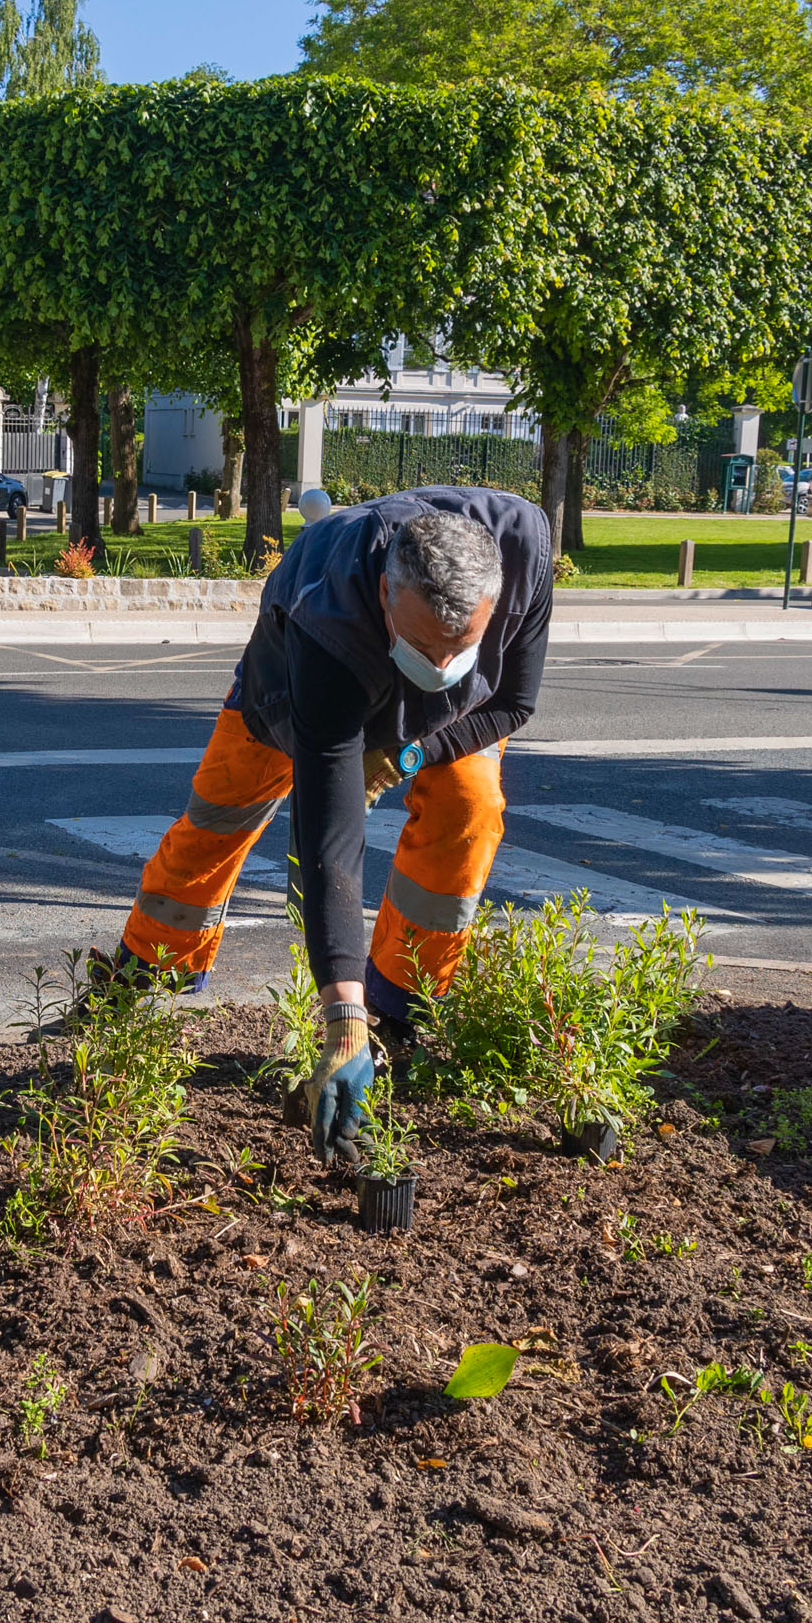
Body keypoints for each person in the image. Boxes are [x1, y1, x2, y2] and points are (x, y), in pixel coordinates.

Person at [108, 487, 555, 1165]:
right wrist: (340, 1022)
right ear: (384, 595)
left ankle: (402, 1008)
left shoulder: (525, 552)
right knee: (220, 815)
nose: (438, 668)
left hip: (454, 725)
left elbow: (515, 702)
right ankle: (144, 969)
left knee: (470, 807)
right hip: (295, 682)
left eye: (456, 646)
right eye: (422, 645)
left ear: (493, 604)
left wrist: (406, 754)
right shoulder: (330, 619)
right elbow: (332, 844)